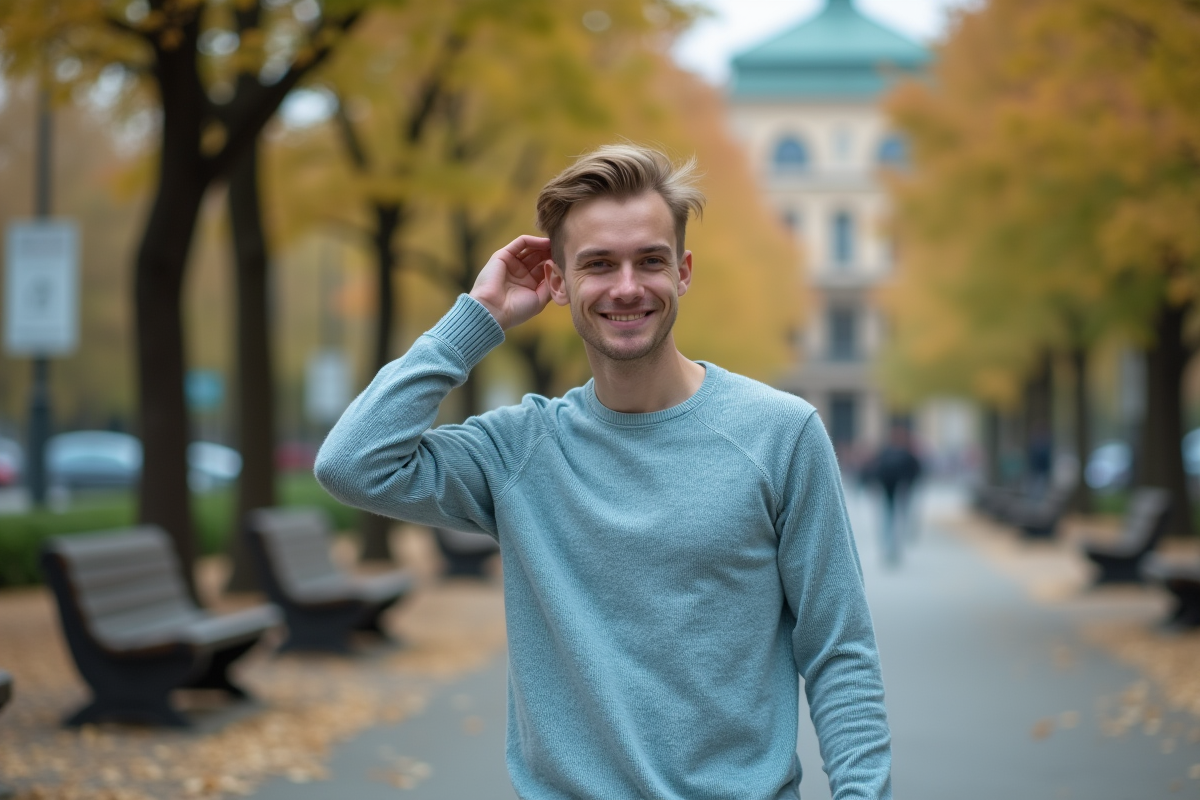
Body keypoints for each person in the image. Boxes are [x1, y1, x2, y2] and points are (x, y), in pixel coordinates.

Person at [315, 144, 892, 799]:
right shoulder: (519, 451)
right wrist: (474, 321)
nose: (626, 286)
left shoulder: (781, 433)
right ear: (557, 283)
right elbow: (352, 465)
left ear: (683, 273)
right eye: (597, 264)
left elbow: (838, 650)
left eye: (650, 260)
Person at [864, 423, 923, 566]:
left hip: (890, 490)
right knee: (897, 518)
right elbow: (915, 471)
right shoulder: (906, 453)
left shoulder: (886, 452)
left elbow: (875, 469)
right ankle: (894, 547)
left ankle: (890, 547)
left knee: (889, 518)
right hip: (899, 490)